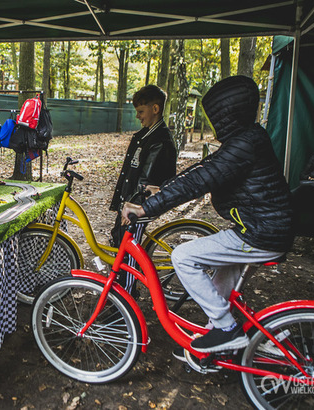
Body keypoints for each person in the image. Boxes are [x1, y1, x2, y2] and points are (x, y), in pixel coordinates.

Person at [122, 76, 293, 353]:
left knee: (183, 256)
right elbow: (205, 170)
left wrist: (145, 208)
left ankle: (226, 329)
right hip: (260, 227)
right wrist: (163, 189)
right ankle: (224, 335)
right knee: (220, 283)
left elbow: (201, 178)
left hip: (260, 232)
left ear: (225, 113)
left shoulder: (244, 143)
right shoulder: (248, 138)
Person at [109, 84, 177, 296]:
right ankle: (122, 288)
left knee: (129, 251)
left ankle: (127, 297)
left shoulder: (160, 141)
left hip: (140, 205)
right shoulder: (145, 136)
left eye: (141, 111)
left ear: (155, 109)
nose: (138, 116)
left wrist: (133, 206)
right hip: (130, 201)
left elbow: (149, 181)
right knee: (121, 242)